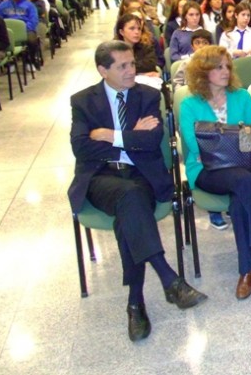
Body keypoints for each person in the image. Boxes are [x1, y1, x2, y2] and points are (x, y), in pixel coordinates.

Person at [68, 40, 207, 341]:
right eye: (123, 66)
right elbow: (80, 147)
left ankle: (136, 303)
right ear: (103, 70)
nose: (132, 70)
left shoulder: (147, 94)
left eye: (132, 63)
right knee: (130, 200)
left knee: (129, 211)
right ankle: (168, 278)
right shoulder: (83, 101)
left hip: (141, 174)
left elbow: (151, 139)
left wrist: (108, 135)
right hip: (101, 177)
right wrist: (130, 136)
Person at [179, 45, 251, 299]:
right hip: (206, 170)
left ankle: (247, 272)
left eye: (227, 66)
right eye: (218, 66)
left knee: (239, 198)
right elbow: (194, 144)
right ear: (203, 71)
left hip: (245, 165)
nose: (225, 71)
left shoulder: (242, 96)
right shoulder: (189, 104)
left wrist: (219, 139)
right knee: (242, 184)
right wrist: (234, 135)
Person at [0, 0, 40, 71]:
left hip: (26, 29)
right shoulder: (2, 6)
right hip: (8, 31)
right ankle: (10, 62)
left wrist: (23, 30)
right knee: (3, 41)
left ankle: (30, 61)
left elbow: (33, 20)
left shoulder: (29, 5)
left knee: (32, 40)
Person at [114, 13, 159, 77]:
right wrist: (141, 74)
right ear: (122, 32)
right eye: (132, 28)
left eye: (139, 29)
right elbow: (116, 70)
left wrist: (127, 66)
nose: (137, 32)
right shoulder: (114, 50)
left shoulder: (146, 46)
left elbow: (150, 65)